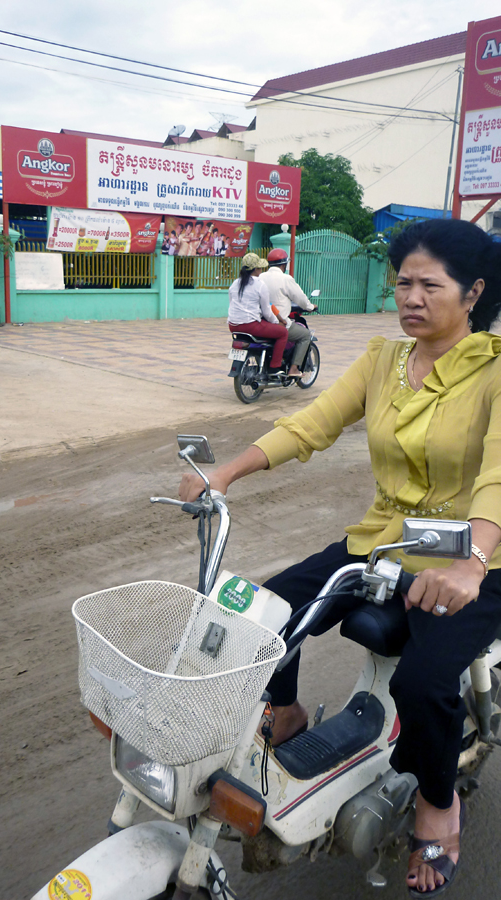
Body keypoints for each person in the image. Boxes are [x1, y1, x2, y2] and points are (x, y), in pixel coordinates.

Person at [180, 218, 501, 897]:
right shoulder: (383, 360)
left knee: (423, 682)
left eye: (428, 285)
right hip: (383, 544)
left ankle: (437, 805)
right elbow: (312, 424)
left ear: (472, 293)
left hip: (478, 559)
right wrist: (225, 474)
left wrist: (470, 563)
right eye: (401, 283)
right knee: (261, 616)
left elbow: (497, 475)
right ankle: (288, 713)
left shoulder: (496, 371)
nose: (410, 297)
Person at [227, 252, 288, 375]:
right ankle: (275, 366)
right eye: (260, 268)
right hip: (250, 325)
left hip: (233, 325)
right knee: (283, 333)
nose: (261, 270)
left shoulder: (235, 283)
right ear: (256, 269)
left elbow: (232, 303)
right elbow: (267, 311)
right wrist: (278, 323)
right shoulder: (259, 285)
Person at [260, 248, 317, 377]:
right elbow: (300, 298)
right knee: (305, 335)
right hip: (279, 323)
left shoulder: (261, 277)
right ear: (283, 264)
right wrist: (310, 306)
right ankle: (294, 368)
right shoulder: (286, 279)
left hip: (262, 322)